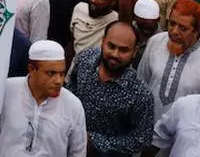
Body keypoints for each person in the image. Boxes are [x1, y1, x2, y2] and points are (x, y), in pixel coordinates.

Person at [0, 39, 87, 157]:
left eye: (62, 73)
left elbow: (78, 153)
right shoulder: (6, 90)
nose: (59, 81)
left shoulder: (73, 106)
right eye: (51, 73)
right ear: (31, 69)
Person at [66, 21, 153, 156]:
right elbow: (69, 94)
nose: (115, 54)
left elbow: (141, 139)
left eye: (123, 50)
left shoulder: (140, 94)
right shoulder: (84, 61)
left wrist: (95, 141)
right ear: (103, 42)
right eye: (111, 46)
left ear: (134, 52)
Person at [135, 0, 200, 123]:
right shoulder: (155, 42)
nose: (174, 32)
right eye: (172, 24)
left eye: (183, 28)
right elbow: (140, 83)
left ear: (197, 31)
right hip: (144, 126)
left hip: (180, 135)